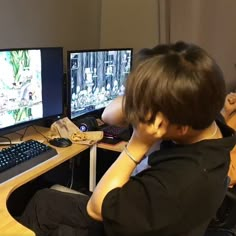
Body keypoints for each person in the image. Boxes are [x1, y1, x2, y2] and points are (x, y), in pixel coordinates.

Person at [19, 41, 236, 236]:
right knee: (45, 199)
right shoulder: (209, 120)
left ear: (180, 128)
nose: (138, 114)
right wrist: (145, 92)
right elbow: (108, 115)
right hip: (146, 214)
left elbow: (96, 208)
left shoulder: (178, 182)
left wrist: (138, 143)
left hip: (121, 218)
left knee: (42, 207)